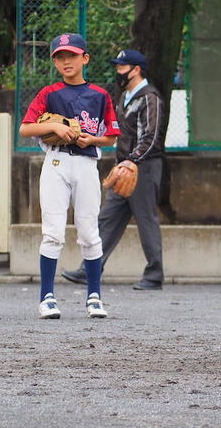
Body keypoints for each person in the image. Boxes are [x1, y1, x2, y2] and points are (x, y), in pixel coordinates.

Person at [19, 33, 120, 319]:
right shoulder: (49, 94)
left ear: (85, 58)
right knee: (53, 233)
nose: (66, 61)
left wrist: (92, 140)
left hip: (87, 164)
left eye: (71, 55)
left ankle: (95, 296)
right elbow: (26, 129)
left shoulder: (100, 96)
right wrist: (55, 127)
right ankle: (47, 297)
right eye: (60, 57)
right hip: (56, 163)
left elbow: (111, 136)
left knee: (89, 233)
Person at [62, 48, 168, 290]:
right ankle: (90, 268)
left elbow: (151, 137)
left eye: (122, 67)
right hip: (125, 166)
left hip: (143, 166)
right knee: (108, 218)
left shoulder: (150, 97)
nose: (118, 72)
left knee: (145, 219)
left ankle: (154, 274)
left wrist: (133, 161)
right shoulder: (126, 96)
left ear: (136, 70)